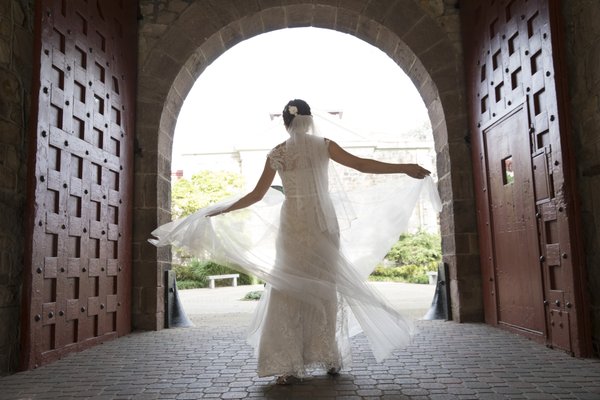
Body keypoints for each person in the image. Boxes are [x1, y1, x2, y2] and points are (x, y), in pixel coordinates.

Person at [150, 99, 439, 385]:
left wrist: (219, 209)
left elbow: (256, 195)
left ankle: (285, 364)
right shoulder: (325, 145)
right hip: (323, 224)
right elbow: (362, 165)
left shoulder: (277, 153)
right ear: (309, 119)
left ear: (286, 123)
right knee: (325, 286)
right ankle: (329, 357)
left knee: (286, 286)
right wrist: (404, 167)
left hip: (293, 224)